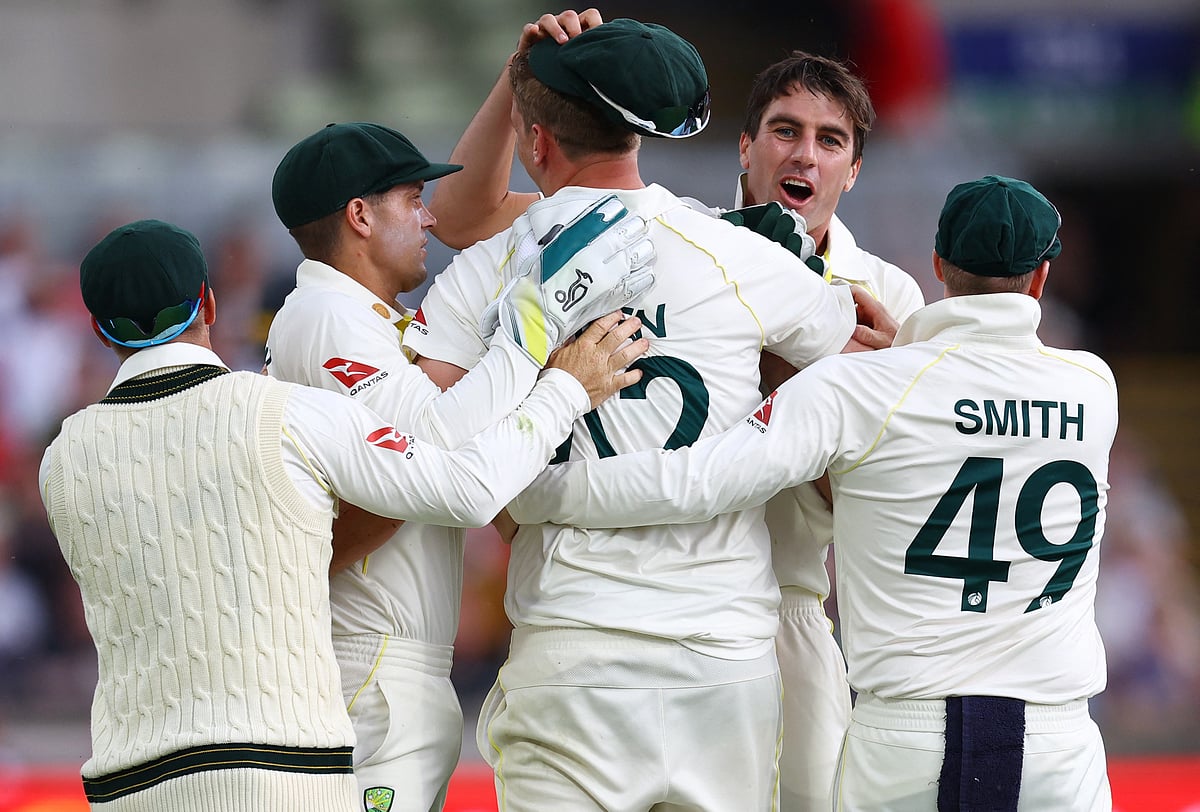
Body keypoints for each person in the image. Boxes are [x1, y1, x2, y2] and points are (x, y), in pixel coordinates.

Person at [428, 17, 921, 806]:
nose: (803, 155)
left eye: (829, 141)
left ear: (537, 141)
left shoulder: (493, 265)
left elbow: (440, 449)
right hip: (725, 642)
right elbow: (870, 379)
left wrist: (532, 493)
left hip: (579, 632)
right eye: (786, 131)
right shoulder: (740, 254)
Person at [507, 176, 1117, 812]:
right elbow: (976, 401)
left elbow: (695, 480)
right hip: (1059, 741)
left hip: (907, 735)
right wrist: (908, 347)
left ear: (937, 264)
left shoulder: (859, 388)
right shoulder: (1094, 388)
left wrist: (534, 491)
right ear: (1042, 279)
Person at [38, 215, 652, 811]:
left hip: (127, 784)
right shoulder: (286, 413)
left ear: (99, 329)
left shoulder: (61, 461)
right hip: (281, 776)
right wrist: (564, 388)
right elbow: (467, 490)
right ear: (209, 304)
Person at [264, 118, 651, 810]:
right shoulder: (324, 316)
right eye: (412, 200)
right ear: (359, 215)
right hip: (367, 659)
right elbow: (443, 442)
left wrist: (515, 79)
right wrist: (543, 345)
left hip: (391, 663)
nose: (429, 217)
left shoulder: (375, 320)